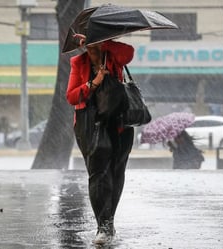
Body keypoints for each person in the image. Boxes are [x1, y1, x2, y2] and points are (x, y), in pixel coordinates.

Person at [66, 34, 134, 245]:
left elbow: (129, 52)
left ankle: (109, 221)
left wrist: (103, 42)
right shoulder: (78, 62)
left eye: (93, 44)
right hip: (90, 125)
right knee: (98, 175)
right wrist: (93, 83)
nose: (90, 50)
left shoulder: (113, 56)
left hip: (120, 123)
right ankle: (102, 227)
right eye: (87, 46)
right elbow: (71, 96)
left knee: (116, 173)